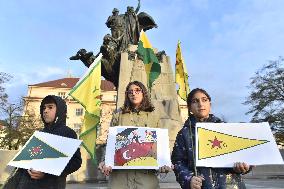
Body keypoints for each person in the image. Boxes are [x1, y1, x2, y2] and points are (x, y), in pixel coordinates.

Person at [171, 88, 252, 189]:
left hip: (230, 185)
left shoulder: (226, 129)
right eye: (195, 101)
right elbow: (178, 162)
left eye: (204, 100)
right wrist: (188, 179)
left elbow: (243, 153)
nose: (200, 104)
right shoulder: (184, 134)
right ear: (189, 108)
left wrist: (245, 166)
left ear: (210, 104)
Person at [99, 80, 171, 189]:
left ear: (143, 93)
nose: (133, 93)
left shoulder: (154, 116)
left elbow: (160, 144)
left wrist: (164, 162)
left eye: (137, 90)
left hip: (146, 178)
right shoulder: (118, 115)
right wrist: (105, 161)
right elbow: (110, 142)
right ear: (127, 95)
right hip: (120, 178)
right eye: (130, 91)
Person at [3, 95, 82, 189]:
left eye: (50, 107)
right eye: (43, 108)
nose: (45, 110)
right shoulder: (39, 133)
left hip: (51, 185)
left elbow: (75, 162)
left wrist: (47, 173)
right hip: (25, 184)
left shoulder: (68, 133)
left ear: (60, 110)